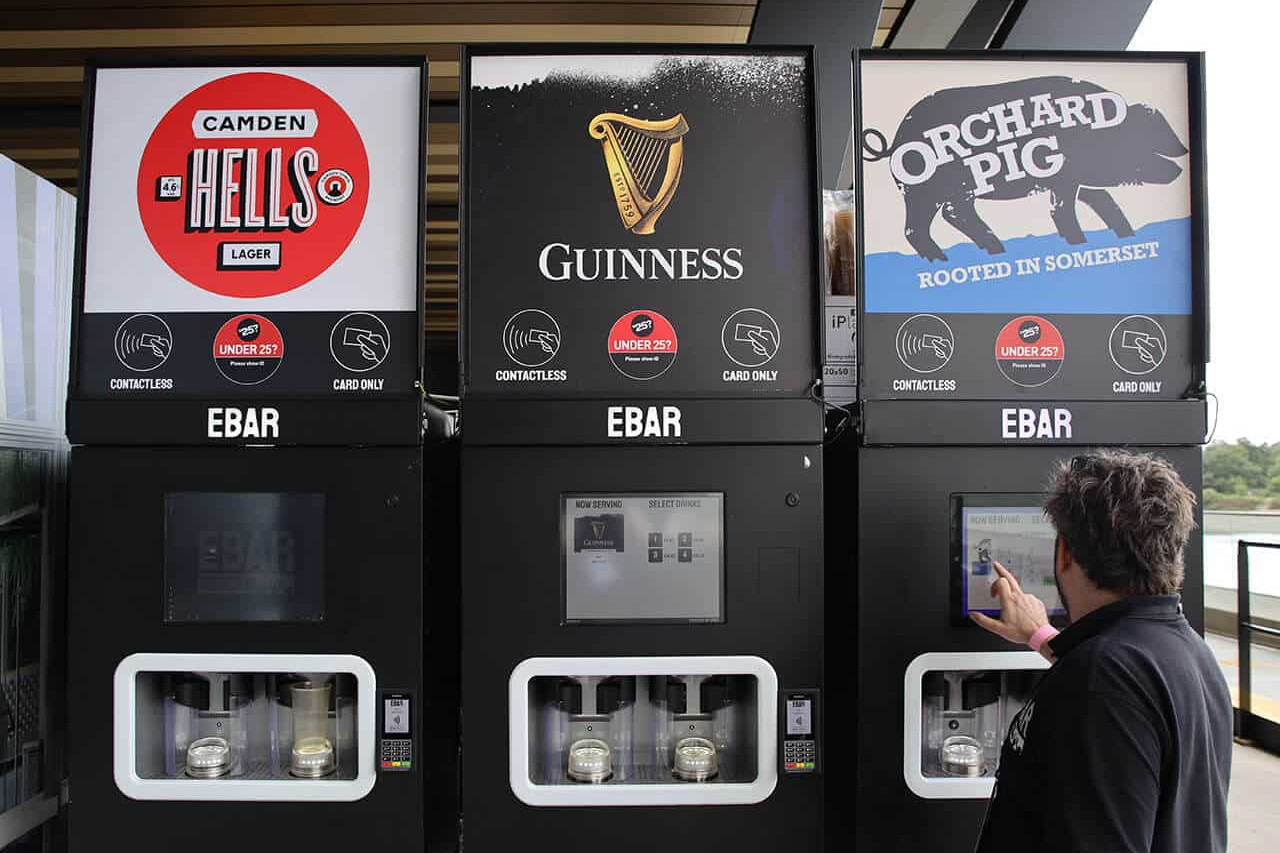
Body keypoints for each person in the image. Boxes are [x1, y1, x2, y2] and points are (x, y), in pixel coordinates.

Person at [970, 449, 1232, 853]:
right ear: (1172, 551)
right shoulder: (1188, 653)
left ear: (1065, 553)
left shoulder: (1101, 679)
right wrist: (1040, 636)